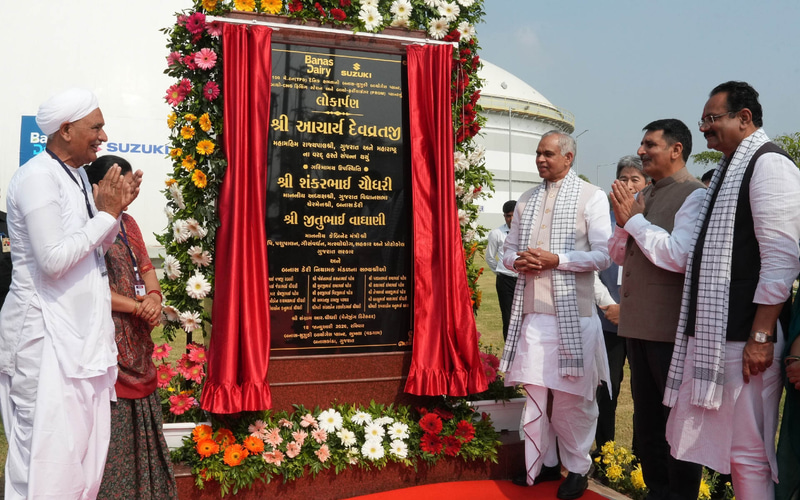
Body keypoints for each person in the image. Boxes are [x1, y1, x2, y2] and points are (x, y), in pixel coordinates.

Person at [613, 82, 800, 498]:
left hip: (746, 335)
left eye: (712, 119)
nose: (704, 128)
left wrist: (761, 334)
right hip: (724, 334)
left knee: (748, 454)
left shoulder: (769, 164)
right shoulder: (730, 170)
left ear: (744, 118)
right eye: (703, 120)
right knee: (733, 452)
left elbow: (781, 260)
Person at [0, 88, 140, 499]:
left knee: (81, 459)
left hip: (80, 337)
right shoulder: (37, 178)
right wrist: (106, 216)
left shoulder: (76, 175)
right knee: (46, 462)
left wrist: (113, 213)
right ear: (65, 130)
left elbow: (91, 248)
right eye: (96, 127)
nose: (104, 136)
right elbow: (53, 259)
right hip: (44, 338)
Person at [502, 130, 611, 500]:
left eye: (548, 154)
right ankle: (543, 462)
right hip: (533, 315)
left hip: (575, 317)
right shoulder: (527, 199)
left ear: (568, 157)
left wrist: (557, 260)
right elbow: (508, 250)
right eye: (538, 153)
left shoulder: (591, 196)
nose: (540, 159)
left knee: (572, 400)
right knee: (535, 394)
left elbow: (603, 256)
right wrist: (516, 261)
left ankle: (577, 467)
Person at [608, 119, 705, 500]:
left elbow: (679, 256)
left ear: (676, 149)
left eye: (650, 144)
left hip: (670, 330)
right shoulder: (646, 193)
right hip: (638, 326)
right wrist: (623, 224)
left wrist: (633, 220)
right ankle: (656, 491)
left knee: (675, 423)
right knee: (646, 420)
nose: (641, 151)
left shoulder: (693, 195)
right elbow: (619, 255)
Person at [85, 155, 177, 499]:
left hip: (137, 340)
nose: (128, 194)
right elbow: (91, 288)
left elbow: (146, 266)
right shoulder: (89, 226)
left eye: (131, 188)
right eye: (121, 187)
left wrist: (153, 297)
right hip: (106, 341)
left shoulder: (129, 223)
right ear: (101, 188)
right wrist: (138, 307)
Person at [592, 155, 649, 455]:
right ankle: (605, 454)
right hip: (608, 321)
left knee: (644, 394)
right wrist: (609, 306)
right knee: (606, 389)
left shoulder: (652, 222)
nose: (628, 185)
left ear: (646, 184)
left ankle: (641, 461)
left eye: (635, 179)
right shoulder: (604, 222)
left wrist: (629, 311)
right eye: (623, 178)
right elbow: (591, 269)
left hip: (643, 324)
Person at [485, 200, 518, 340]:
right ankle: (509, 349)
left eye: (513, 215)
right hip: (505, 281)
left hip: (523, 280)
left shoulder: (527, 232)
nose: (511, 219)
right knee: (508, 317)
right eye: (508, 216)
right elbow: (490, 257)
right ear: (504, 216)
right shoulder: (496, 233)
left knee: (526, 316)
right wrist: (500, 271)